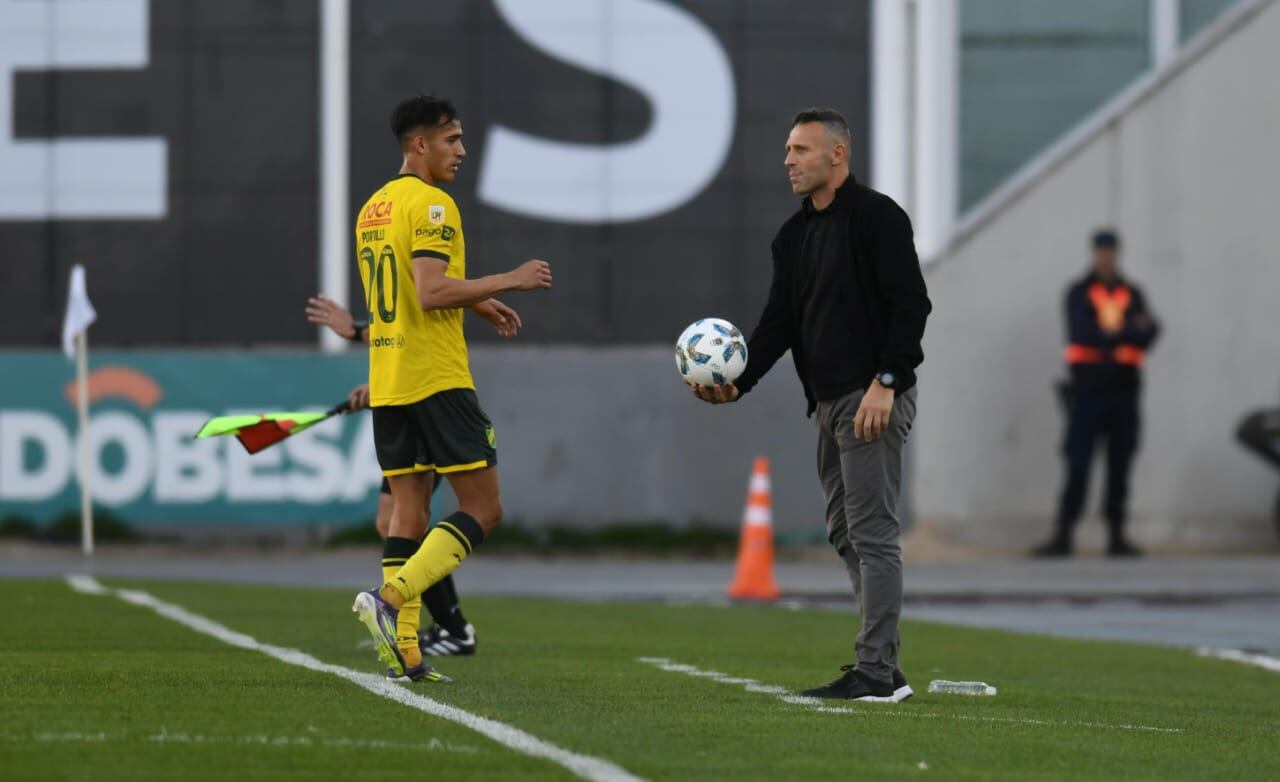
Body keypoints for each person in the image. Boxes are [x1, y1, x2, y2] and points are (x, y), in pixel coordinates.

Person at [691, 108, 931, 702]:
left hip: (871, 397)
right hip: (826, 402)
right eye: (788, 149)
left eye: (800, 149)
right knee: (846, 531)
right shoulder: (793, 236)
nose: (788, 160)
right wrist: (736, 384)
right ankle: (886, 667)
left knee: (872, 533)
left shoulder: (877, 217)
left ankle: (874, 670)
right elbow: (778, 326)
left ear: (837, 156)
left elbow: (912, 306)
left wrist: (887, 381)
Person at [350, 93, 551, 682]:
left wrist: (480, 301)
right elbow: (431, 292)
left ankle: (403, 650)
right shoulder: (434, 204)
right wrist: (509, 281)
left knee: (407, 512)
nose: (462, 151)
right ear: (420, 144)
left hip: (389, 381)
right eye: (452, 139)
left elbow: (415, 290)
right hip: (436, 378)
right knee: (484, 509)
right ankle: (390, 600)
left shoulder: (374, 207)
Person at [310, 295, 484, 656]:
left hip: (424, 398)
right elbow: (396, 328)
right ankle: (425, 633)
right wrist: (360, 337)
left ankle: (449, 628)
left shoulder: (421, 254)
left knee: (415, 518)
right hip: (400, 396)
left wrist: (366, 350)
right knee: (391, 521)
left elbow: (417, 323)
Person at [1034, 230, 1160, 558]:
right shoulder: (1079, 293)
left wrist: (1115, 332)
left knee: (1120, 465)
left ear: (1117, 255)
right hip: (1088, 393)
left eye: (1110, 252)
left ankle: (1117, 535)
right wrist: (1128, 330)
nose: (1106, 257)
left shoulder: (1132, 292)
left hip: (1124, 393)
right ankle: (1064, 534)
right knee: (1078, 464)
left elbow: (1150, 333)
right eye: (1101, 251)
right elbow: (1082, 332)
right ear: (1094, 254)